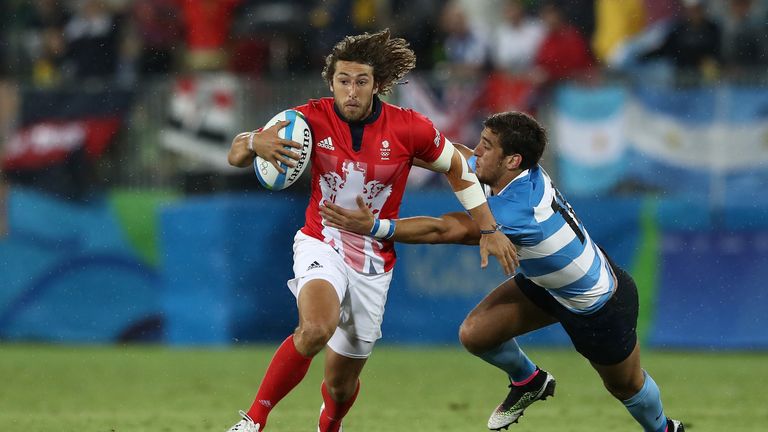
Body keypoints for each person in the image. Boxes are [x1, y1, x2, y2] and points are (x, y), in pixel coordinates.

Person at [225, 29, 517, 432]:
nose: (351, 91)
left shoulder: (408, 128)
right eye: (343, 81)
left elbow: (458, 167)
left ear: (377, 85)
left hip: (373, 261)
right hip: (321, 240)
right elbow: (236, 151)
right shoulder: (309, 118)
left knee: (340, 386)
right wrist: (255, 141)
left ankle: (330, 426)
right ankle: (253, 422)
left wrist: (488, 227)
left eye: (361, 82)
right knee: (314, 329)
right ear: (331, 83)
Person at [320, 111, 685, 432]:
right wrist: (410, 143)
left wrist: (375, 227)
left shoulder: (515, 211)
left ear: (512, 160)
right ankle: (529, 380)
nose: (476, 151)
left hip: (597, 304)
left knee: (626, 387)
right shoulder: (519, 174)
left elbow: (444, 229)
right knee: (476, 334)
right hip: (548, 284)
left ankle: (665, 429)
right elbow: (458, 159)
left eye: (486, 146)